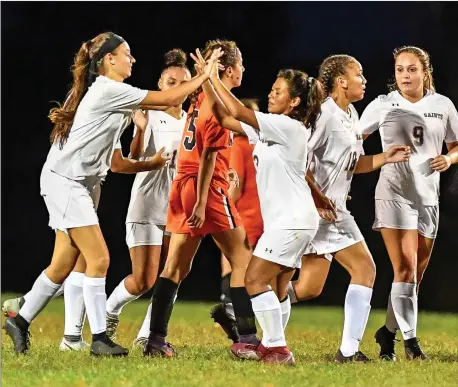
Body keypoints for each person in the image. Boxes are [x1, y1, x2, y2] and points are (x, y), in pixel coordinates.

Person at [3, 31, 222, 356]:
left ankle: (20, 319)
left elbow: (118, 163)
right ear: (108, 61)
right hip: (66, 180)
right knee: (100, 258)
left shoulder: (114, 96)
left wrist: (151, 161)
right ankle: (100, 338)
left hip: (82, 182)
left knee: (64, 263)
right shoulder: (110, 89)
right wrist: (205, 76)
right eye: (126, 54)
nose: (132, 59)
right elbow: (164, 100)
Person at [286, 54, 411, 363]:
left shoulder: (350, 114)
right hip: (319, 211)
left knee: (308, 288)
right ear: (341, 81)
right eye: (359, 74)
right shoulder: (324, 114)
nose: (364, 80)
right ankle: (348, 352)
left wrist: (386, 157)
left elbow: (354, 165)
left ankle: (247, 305)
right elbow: (296, 158)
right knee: (365, 269)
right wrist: (317, 198)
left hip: (333, 209)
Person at [205, 54, 327, 364]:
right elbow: (225, 119)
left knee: (253, 280)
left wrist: (212, 76)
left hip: (292, 220)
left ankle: (277, 348)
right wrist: (206, 81)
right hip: (290, 220)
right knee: (279, 287)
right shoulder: (275, 128)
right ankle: (274, 345)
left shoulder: (288, 126)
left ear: (294, 101)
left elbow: (235, 109)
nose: (271, 94)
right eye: (272, 89)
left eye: (278, 91)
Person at [143, 40, 259, 359]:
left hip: (183, 181)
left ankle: (155, 341)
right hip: (204, 189)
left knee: (176, 266)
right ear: (231, 70)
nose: (244, 70)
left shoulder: (199, 94)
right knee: (243, 261)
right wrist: (201, 201)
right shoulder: (219, 102)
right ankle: (247, 338)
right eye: (241, 65)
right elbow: (209, 155)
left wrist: (205, 73)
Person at [359, 46, 458, 361]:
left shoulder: (443, 105)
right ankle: (411, 344)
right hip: (393, 192)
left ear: (424, 72)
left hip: (428, 195)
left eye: (411, 69)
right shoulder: (383, 105)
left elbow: (456, 145)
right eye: (400, 69)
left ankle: (387, 332)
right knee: (404, 267)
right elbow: (351, 141)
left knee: (414, 273)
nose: (405, 75)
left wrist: (448, 158)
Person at [104, 49, 191, 345]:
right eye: (170, 82)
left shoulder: (193, 121)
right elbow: (133, 157)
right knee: (144, 280)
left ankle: (147, 335)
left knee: (171, 275)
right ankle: (110, 310)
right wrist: (140, 130)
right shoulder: (150, 114)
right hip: (147, 205)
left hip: (178, 209)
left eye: (184, 81)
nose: (178, 87)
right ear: (160, 84)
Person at [210, 98, 264, 343]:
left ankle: (230, 309)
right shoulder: (263, 144)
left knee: (232, 268)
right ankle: (241, 320)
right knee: (257, 275)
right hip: (266, 215)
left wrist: (221, 213)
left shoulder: (238, 146)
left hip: (243, 215)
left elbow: (235, 186)